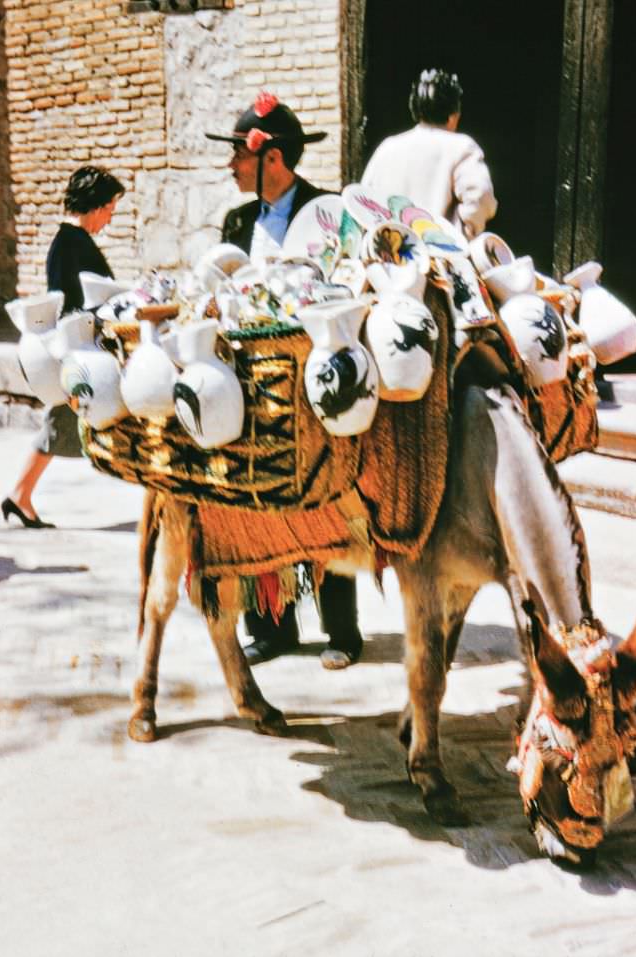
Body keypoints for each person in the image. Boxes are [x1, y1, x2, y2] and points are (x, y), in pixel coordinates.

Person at [205, 93, 363, 670]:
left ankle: (342, 631)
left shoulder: (326, 211)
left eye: (238, 157)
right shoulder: (237, 221)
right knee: (257, 497)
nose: (231, 167)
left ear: (271, 157)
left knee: (326, 494)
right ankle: (272, 627)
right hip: (252, 381)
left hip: (312, 375)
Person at [1, 165, 125, 529]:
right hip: (77, 351)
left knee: (63, 421)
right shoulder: (73, 243)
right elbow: (73, 300)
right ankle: (20, 495)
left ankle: (21, 495)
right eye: (110, 210)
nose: (110, 218)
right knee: (61, 420)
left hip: (78, 348)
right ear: (96, 206)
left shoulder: (67, 242)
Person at [362, 68, 497, 240]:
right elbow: (481, 198)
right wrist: (461, 235)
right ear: (454, 115)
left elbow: (363, 199)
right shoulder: (462, 146)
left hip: (391, 257)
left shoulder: (387, 147)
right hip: (440, 258)